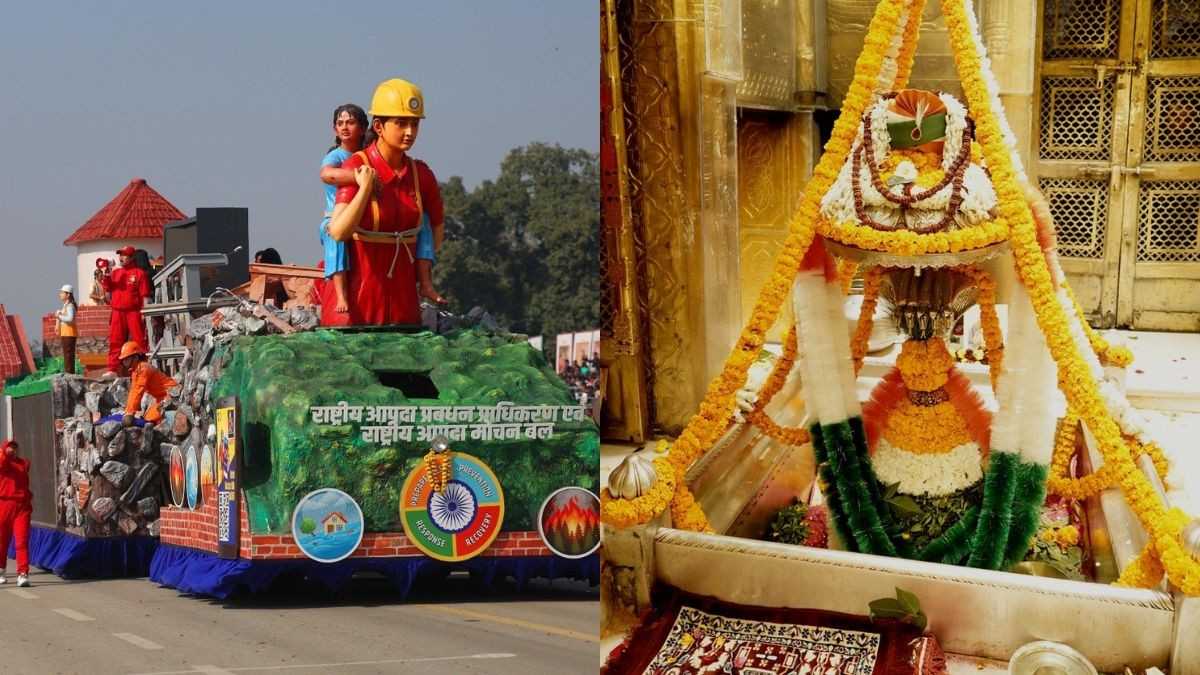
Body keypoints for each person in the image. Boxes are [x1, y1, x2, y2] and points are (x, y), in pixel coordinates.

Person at [322, 79, 446, 327]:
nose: (409, 132)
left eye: (414, 123)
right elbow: (338, 231)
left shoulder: (421, 175)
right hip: (357, 310)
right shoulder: (356, 165)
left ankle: (426, 285)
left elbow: (437, 232)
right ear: (378, 126)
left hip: (404, 309)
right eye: (401, 123)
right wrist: (365, 188)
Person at [100, 246, 151, 376]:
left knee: (139, 340)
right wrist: (106, 274)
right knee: (115, 341)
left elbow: (145, 295)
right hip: (118, 311)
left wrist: (144, 313)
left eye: (124, 255)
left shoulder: (140, 273)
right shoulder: (116, 273)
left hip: (134, 311)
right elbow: (107, 287)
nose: (121, 258)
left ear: (132, 257)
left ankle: (142, 366)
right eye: (120, 255)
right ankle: (113, 369)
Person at [118, 341, 177, 427]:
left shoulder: (143, 369)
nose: (124, 361)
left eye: (126, 358)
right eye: (123, 359)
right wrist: (128, 411)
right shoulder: (137, 370)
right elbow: (133, 391)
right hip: (162, 397)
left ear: (135, 357)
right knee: (148, 417)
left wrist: (129, 413)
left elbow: (137, 391)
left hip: (172, 395)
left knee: (151, 420)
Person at [0, 440, 32, 587]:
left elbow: (25, 466)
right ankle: (1, 570)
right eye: (9, 447)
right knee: (2, 540)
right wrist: (5, 454)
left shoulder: (23, 463)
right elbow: (3, 463)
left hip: (22, 507)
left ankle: (23, 573)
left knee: (21, 540)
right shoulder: (2, 463)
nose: (12, 450)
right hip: (4, 505)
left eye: (14, 447)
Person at [55, 285, 78, 375]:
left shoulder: (70, 306)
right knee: (67, 355)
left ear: (68, 294)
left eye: (62, 293)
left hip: (69, 333)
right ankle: (68, 372)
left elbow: (70, 319)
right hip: (66, 333)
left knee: (68, 355)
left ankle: (69, 373)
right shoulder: (66, 305)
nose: (60, 294)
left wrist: (59, 316)